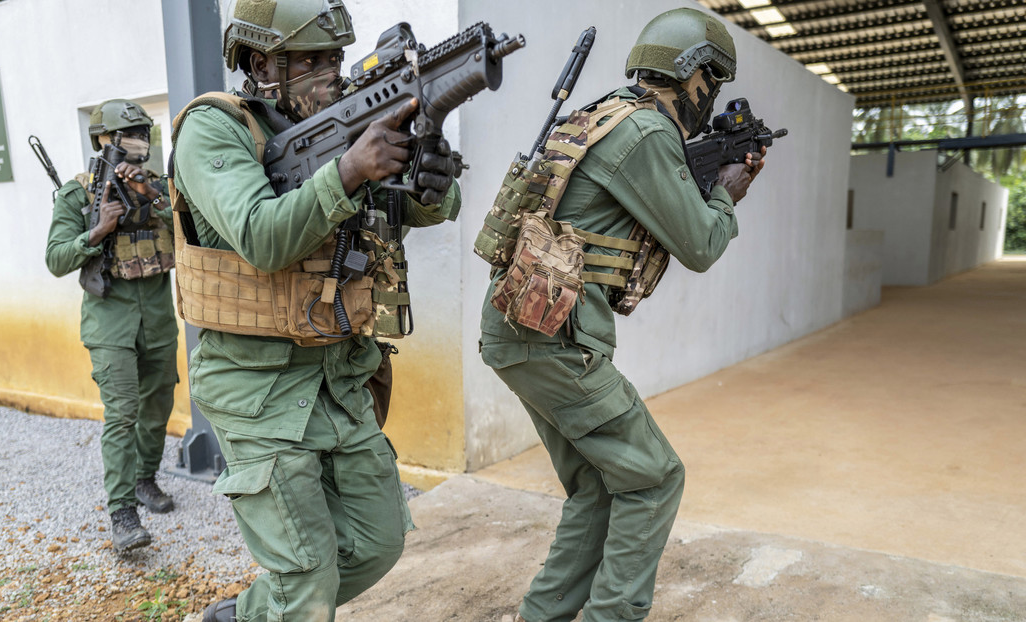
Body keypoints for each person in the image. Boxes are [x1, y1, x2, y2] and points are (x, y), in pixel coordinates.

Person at [169, 1, 461, 619]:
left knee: (377, 544)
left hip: (339, 376)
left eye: (335, 58)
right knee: (306, 581)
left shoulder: (339, 123)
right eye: (310, 60)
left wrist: (431, 181)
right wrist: (351, 167)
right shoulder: (215, 130)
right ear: (260, 62)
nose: (330, 73)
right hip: (258, 388)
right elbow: (261, 236)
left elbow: (405, 213)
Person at [479, 9, 766, 621]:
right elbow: (701, 245)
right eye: (709, 82)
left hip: (521, 329)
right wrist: (726, 191)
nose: (709, 97)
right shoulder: (647, 133)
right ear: (690, 73)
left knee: (596, 489)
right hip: (554, 339)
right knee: (656, 478)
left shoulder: (603, 113)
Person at [45, 99, 178, 554]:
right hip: (110, 323)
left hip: (158, 319)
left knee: (158, 404)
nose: (137, 141)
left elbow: (192, 232)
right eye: (128, 134)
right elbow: (56, 258)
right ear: (103, 140)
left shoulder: (158, 186)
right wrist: (96, 232)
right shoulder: (77, 193)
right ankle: (123, 514)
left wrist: (152, 199)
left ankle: (145, 480)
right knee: (122, 414)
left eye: (143, 132)